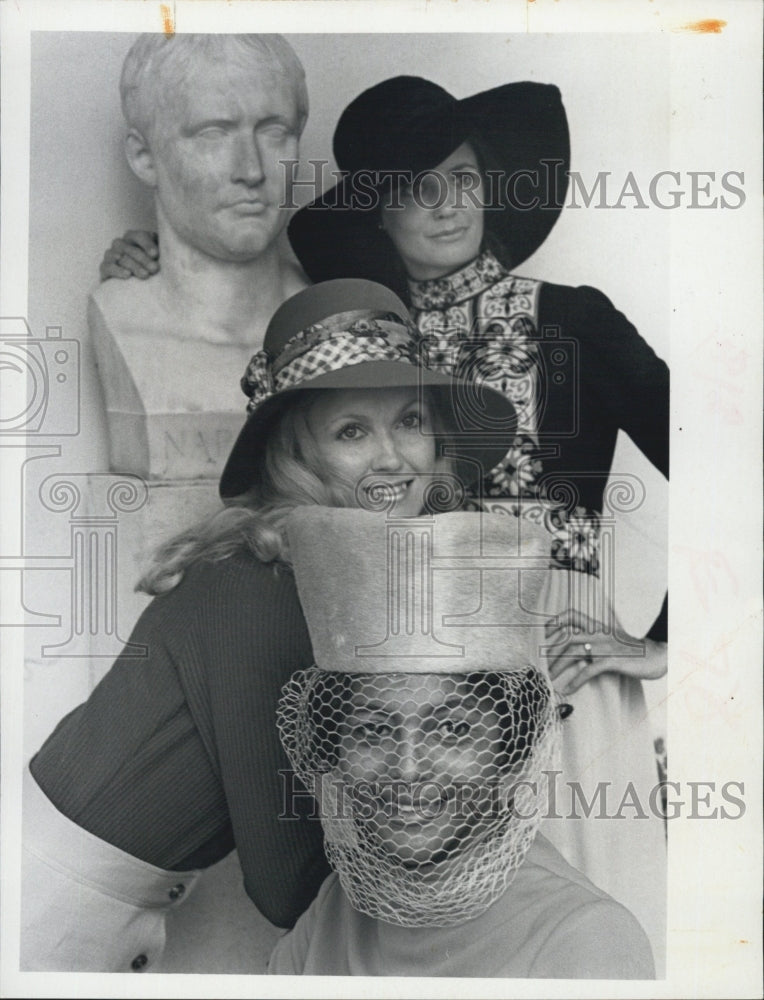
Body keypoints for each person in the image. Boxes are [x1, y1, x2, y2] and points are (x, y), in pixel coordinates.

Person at [104, 75, 669, 966]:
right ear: (378, 214)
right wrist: (146, 256)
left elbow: (733, 461)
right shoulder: (360, 332)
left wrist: (667, 639)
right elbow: (221, 301)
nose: (446, 207)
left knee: (581, 931)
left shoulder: (573, 320)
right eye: (413, 187)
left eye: (463, 176)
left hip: (560, 668)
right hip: (406, 688)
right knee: (412, 921)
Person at [22, 279, 518, 972]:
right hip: (37, 909)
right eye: (352, 431)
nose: (392, 458)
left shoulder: (324, 576)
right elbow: (287, 884)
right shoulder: (268, 586)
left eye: (409, 420)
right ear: (297, 456)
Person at [268, 506, 655, 978]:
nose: (407, 767)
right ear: (333, 750)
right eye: (372, 730)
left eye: (451, 730)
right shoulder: (335, 906)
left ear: (512, 752)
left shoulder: (585, 938)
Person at [89, 33, 310, 478]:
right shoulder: (123, 320)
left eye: (274, 132)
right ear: (143, 157)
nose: (251, 170)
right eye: (213, 133)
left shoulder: (336, 318)